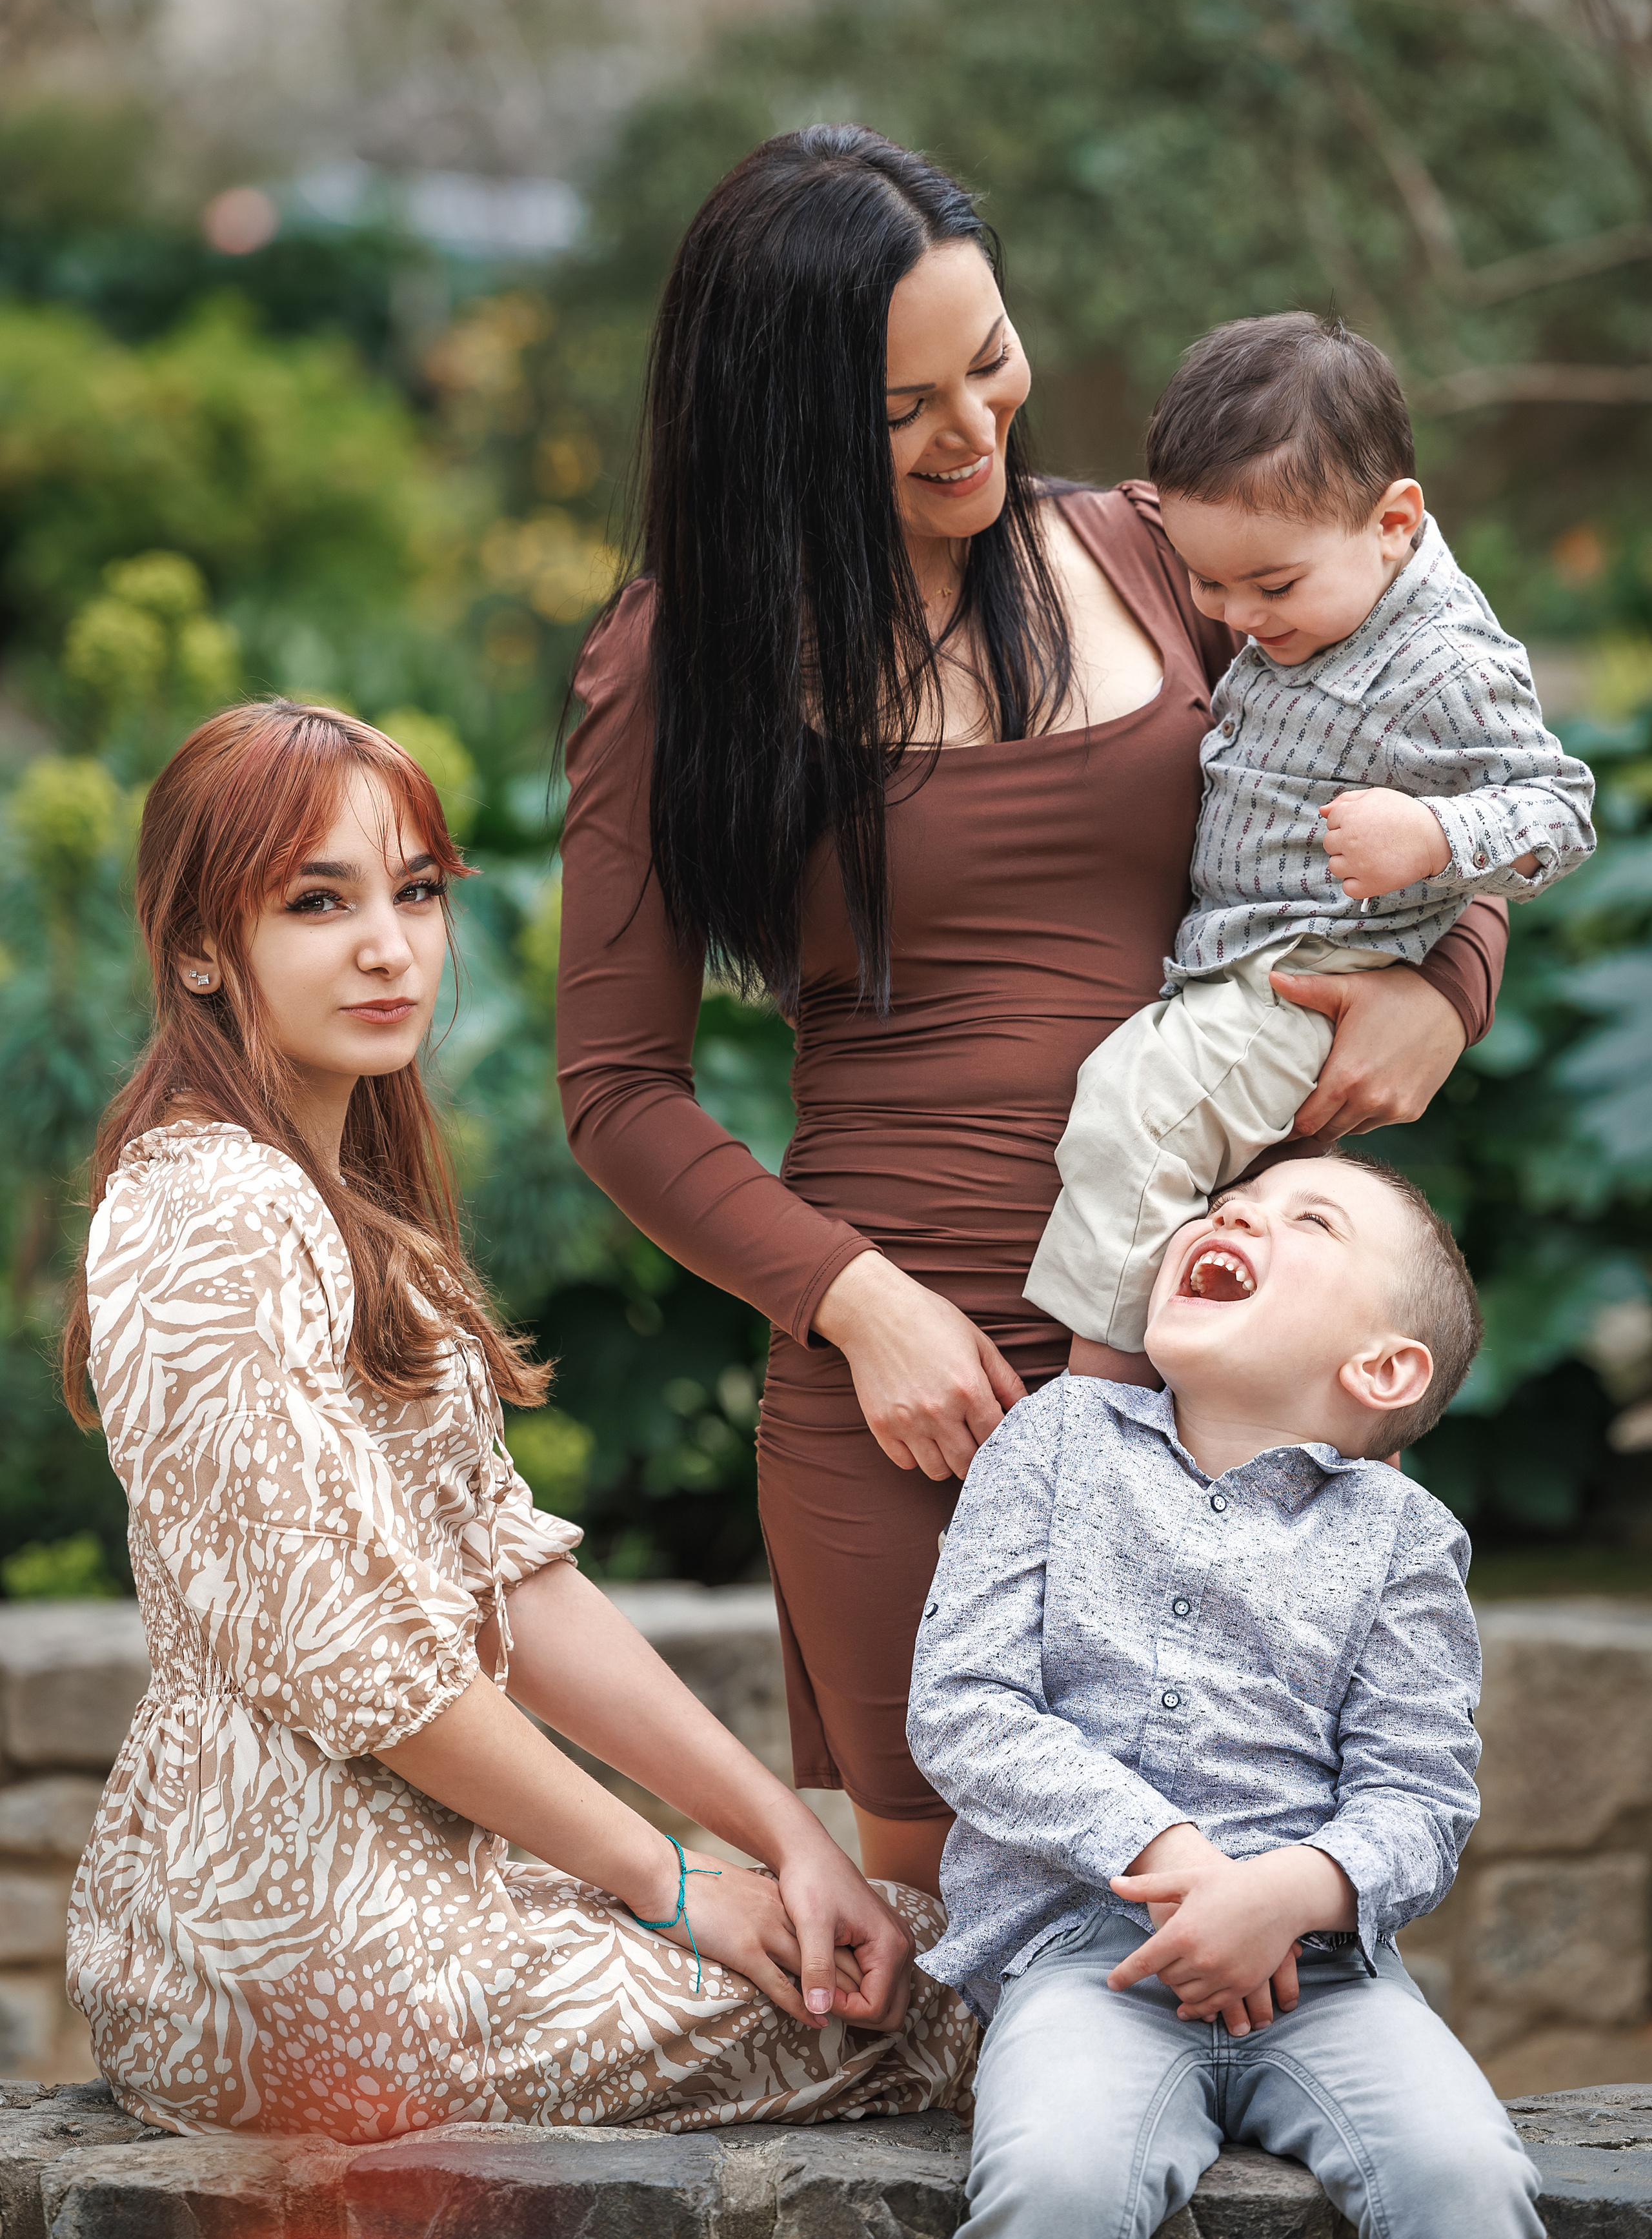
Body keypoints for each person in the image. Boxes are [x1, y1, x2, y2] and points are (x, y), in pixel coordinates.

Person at [556, 124, 1509, 1897]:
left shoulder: (1176, 557)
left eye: (988, 359)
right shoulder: (681, 662)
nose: (975, 425)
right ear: (774, 428)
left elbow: (1453, 777)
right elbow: (617, 1088)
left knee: (1270, 1927)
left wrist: (1445, 990)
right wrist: (860, 1309)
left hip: (1232, 1362)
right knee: (975, 1986)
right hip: (918, 1388)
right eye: (901, 403)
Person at [62, 698, 973, 2142]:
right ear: (195, 947)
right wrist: (668, 1880)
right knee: (961, 1983)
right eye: (318, 901)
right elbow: (365, 1660)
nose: (390, 945)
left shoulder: (327, 1200)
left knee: (902, 1928)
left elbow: (508, 1574)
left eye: (415, 890)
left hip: (406, 1900)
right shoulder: (211, 1211)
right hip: (296, 1954)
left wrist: (784, 1836)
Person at [907, 1151, 1544, 2238]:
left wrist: (1286, 1894)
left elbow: (1421, 1798)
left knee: (1467, 2176)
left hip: (1326, 1979)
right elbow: (965, 1702)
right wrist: (1174, 1857)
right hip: (1085, 1962)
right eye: (1228, 1204)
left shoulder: (1405, 1540)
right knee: (1055, 2182)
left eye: (1310, 1220)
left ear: (1383, 1370)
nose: (1238, 1215)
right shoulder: (1056, 1440)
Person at [1025, 313, 1594, 1352]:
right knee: (1175, 1151)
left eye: (1272, 584)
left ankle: (1099, 1397)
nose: (1238, 613)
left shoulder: (1442, 664)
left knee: (1133, 1122)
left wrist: (1433, 830)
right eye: (1208, 582)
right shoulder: (1311, 590)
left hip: (1314, 962)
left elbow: (1560, 810)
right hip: (1240, 953)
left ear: (1393, 520)